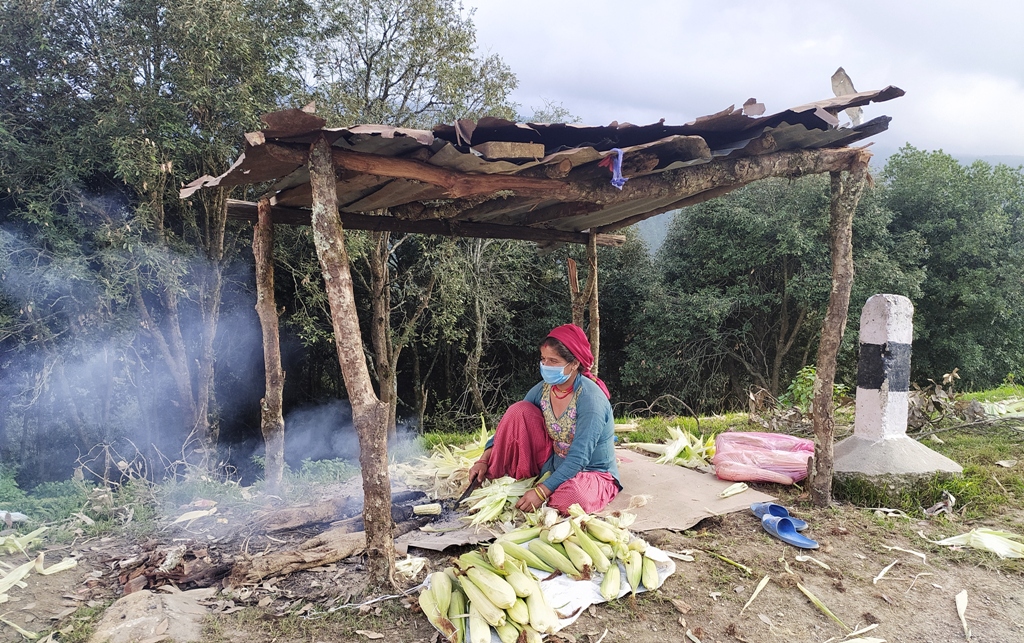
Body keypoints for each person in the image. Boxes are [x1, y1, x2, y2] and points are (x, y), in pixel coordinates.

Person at [468, 324, 621, 514]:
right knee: (518, 410)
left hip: (590, 471)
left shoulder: (591, 399)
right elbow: (510, 426)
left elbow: (580, 457)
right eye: (543, 359)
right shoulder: (543, 389)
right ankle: (544, 484)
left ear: (574, 364)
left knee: (571, 499)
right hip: (553, 462)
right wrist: (483, 460)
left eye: (553, 361)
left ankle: (552, 490)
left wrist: (541, 492)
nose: (546, 366)